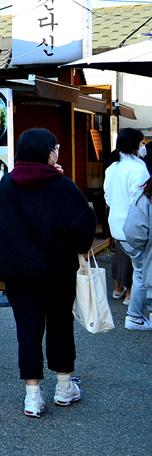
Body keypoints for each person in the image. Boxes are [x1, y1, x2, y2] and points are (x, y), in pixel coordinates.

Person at [0, 129, 96, 417]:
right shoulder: (62, 186)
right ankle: (64, 388)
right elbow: (84, 225)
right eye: (55, 148)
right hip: (57, 272)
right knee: (60, 324)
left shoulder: (8, 183)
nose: (57, 152)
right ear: (46, 152)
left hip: (19, 273)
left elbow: (1, 228)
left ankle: (33, 397)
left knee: (28, 329)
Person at [104, 128, 148, 309]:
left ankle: (133, 309)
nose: (144, 146)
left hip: (116, 227)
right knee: (141, 273)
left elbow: (107, 198)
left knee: (136, 269)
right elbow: (140, 205)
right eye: (142, 142)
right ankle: (136, 313)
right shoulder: (138, 169)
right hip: (135, 229)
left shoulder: (112, 168)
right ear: (134, 145)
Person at [122, 174, 152, 329]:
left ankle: (134, 316)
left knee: (140, 273)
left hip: (120, 229)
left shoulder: (146, 195)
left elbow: (133, 232)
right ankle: (134, 316)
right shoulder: (139, 169)